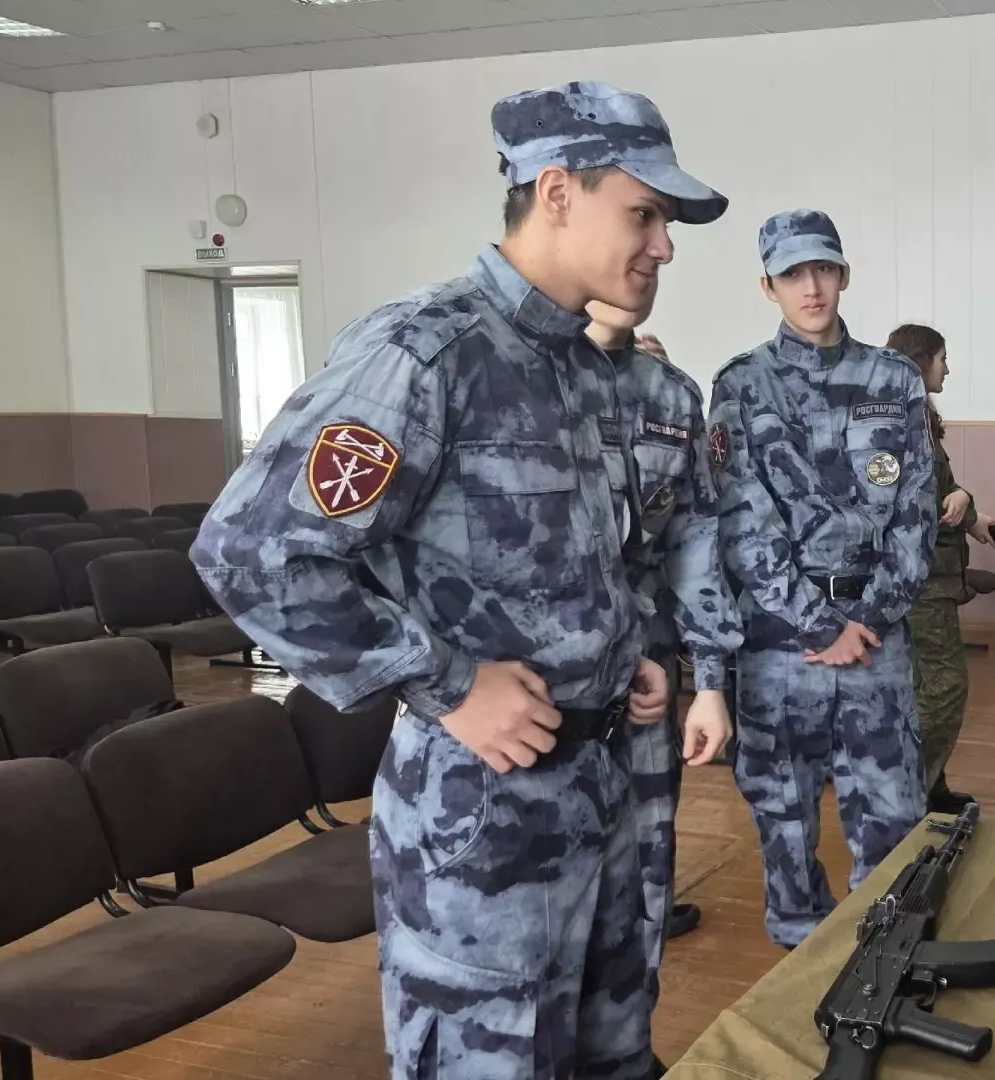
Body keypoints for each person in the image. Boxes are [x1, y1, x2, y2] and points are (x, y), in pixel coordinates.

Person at [192, 82, 729, 1079]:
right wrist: (446, 683)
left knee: (612, 1057)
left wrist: (629, 657)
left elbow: (581, 558)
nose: (663, 245)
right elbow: (252, 550)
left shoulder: (591, 370)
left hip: (606, 792)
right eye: (645, 214)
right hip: (483, 824)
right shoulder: (425, 352)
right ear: (558, 191)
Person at [709, 209, 937, 948]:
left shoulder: (893, 378)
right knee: (782, 812)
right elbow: (741, 520)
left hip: (876, 635)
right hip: (782, 646)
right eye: (793, 274)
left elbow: (916, 511)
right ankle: (797, 951)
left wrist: (867, 615)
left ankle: (885, 957)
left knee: (893, 810)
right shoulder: (741, 384)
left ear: (843, 274)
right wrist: (819, 623)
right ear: (767, 285)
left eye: (824, 269)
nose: (811, 287)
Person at [580, 315, 736, 941]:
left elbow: (694, 542)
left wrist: (711, 682)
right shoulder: (499, 374)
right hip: (527, 695)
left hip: (646, 672)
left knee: (647, 853)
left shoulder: (670, 395)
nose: (657, 248)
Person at [885, 323, 995, 815]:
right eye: (943, 358)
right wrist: (963, 501)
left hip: (931, 577)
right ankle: (913, 792)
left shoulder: (918, 416)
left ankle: (930, 787)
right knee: (943, 688)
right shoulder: (901, 422)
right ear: (922, 360)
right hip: (921, 583)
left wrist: (970, 514)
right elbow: (916, 502)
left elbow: (942, 493)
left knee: (923, 690)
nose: (948, 367)